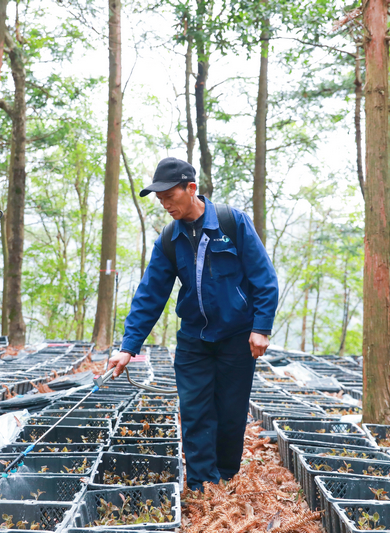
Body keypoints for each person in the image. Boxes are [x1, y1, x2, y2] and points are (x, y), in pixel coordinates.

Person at [106, 156, 279, 491]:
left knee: (230, 412)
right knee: (195, 411)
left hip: (237, 336)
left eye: (170, 196)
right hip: (193, 340)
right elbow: (150, 294)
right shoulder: (169, 239)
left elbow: (264, 277)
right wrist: (128, 347)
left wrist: (261, 327)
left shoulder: (232, 223)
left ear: (191, 188)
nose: (165, 204)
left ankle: (225, 477)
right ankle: (202, 485)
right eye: (160, 199)